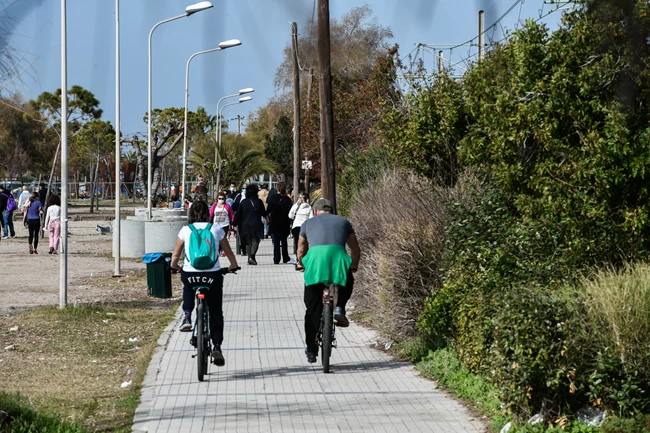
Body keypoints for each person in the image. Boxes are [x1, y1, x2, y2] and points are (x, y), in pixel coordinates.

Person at [170, 200, 239, 366]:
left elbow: (175, 254)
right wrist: (233, 266)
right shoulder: (215, 229)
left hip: (190, 274)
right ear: (207, 214)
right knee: (216, 312)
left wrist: (174, 267)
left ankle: (187, 316)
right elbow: (228, 252)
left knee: (188, 286)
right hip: (212, 275)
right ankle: (217, 345)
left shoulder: (186, 230)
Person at [296, 198, 361, 363]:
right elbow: (355, 247)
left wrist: (301, 263)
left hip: (316, 261)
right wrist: (353, 265)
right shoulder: (344, 222)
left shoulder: (307, 223)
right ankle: (339, 308)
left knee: (312, 309)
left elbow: (301, 248)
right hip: (337, 257)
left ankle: (311, 350)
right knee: (347, 280)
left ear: (315, 211)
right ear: (332, 211)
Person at [233, 183, 267, 265]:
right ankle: (252, 256)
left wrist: (234, 223)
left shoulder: (243, 202)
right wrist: (267, 217)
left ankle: (249, 258)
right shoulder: (259, 202)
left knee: (248, 242)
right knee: (256, 241)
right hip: (256, 224)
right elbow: (263, 212)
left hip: (245, 225)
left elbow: (238, 214)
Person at [266, 182, 293, 265]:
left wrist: (268, 219)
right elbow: (290, 211)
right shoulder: (287, 199)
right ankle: (285, 257)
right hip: (284, 222)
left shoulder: (272, 198)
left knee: (276, 242)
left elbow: (268, 210)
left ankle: (276, 259)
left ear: (277, 188)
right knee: (284, 241)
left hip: (274, 222)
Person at [289, 193, 313, 259]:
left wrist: (296, 205)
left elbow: (290, 216)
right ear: (307, 199)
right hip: (305, 227)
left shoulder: (296, 206)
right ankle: (305, 257)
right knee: (305, 243)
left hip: (296, 227)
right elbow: (311, 218)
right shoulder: (309, 207)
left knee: (297, 242)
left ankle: (298, 258)